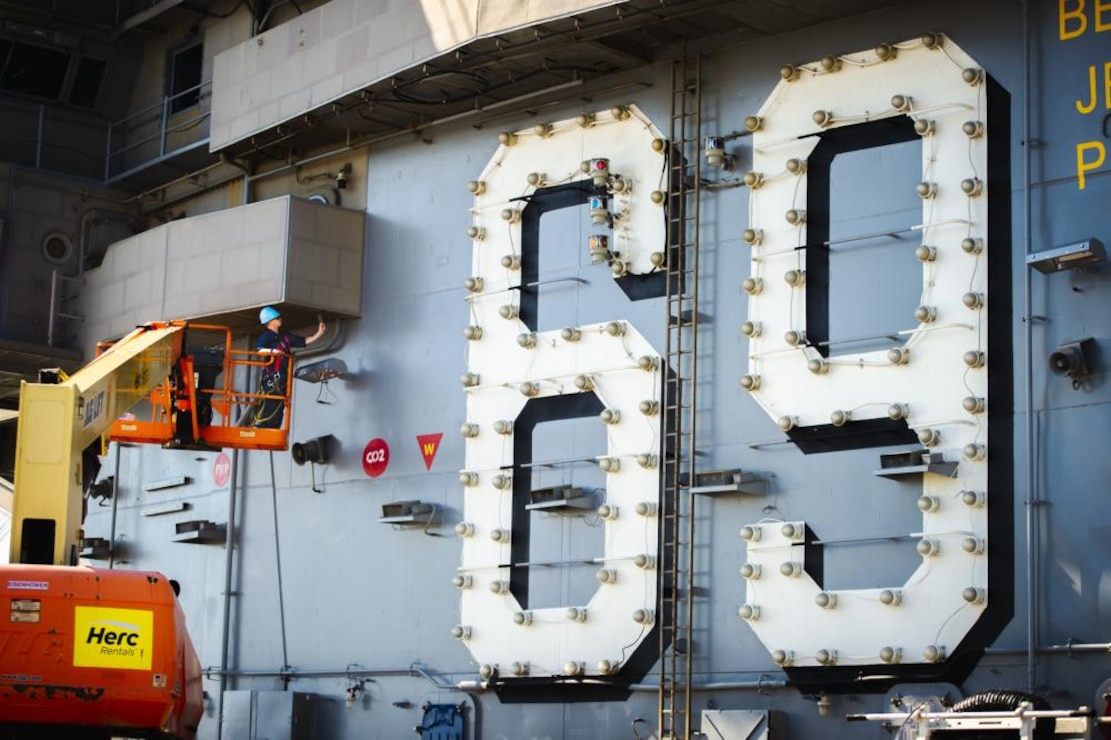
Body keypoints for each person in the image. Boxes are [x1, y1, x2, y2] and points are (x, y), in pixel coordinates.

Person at [252, 306, 326, 428]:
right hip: (272, 376)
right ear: (270, 321)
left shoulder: (285, 336)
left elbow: (304, 341)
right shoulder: (266, 337)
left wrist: (319, 334)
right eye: (277, 318)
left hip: (283, 377)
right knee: (270, 401)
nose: (280, 319)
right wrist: (273, 351)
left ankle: (274, 429)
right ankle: (261, 426)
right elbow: (259, 350)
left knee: (280, 404)